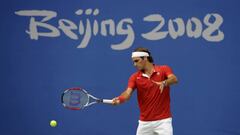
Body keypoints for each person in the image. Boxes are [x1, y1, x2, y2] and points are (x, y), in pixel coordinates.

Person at [112, 47, 178, 135]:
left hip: (163, 121)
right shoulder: (135, 77)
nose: (134, 64)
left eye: (136, 61)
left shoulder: (163, 69)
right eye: (133, 62)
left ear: (145, 58)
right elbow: (127, 93)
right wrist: (120, 99)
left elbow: (174, 79)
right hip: (144, 123)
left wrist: (164, 82)